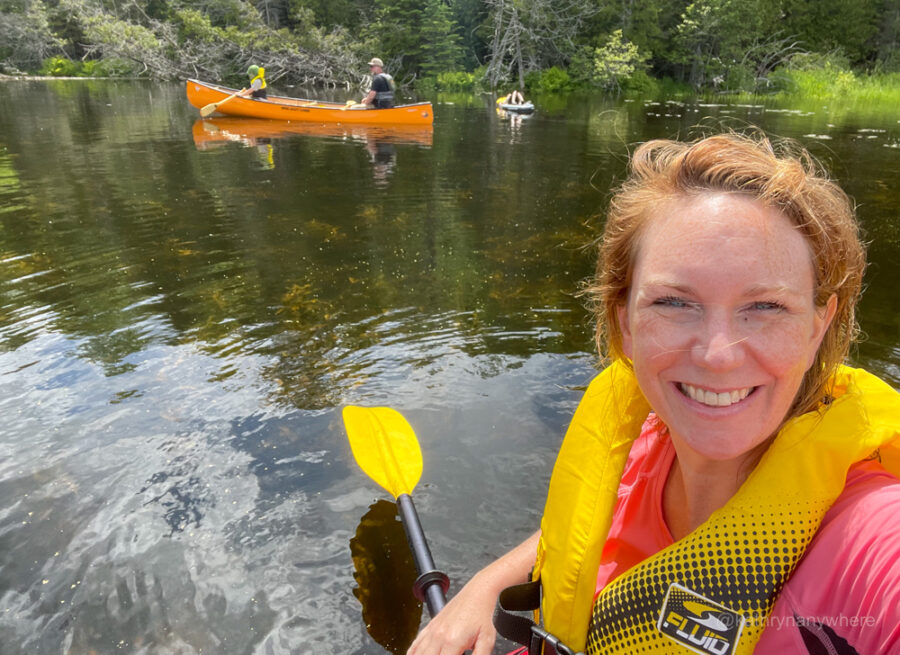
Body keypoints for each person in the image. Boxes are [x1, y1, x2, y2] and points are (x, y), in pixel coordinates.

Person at [407, 132, 900, 655]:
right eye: (673, 302)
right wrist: (487, 586)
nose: (718, 354)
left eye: (767, 307)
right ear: (626, 323)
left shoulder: (874, 546)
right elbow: (588, 522)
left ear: (818, 328)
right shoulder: (642, 447)